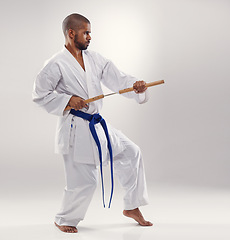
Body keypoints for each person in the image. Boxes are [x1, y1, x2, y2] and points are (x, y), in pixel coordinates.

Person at [32, 13, 153, 233]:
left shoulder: (95, 59)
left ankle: (131, 206)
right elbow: (40, 95)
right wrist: (68, 100)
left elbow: (118, 79)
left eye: (90, 33)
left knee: (131, 152)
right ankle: (64, 218)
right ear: (71, 33)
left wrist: (135, 86)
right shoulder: (55, 64)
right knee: (85, 182)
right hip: (75, 129)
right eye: (86, 32)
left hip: (97, 125)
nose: (89, 37)